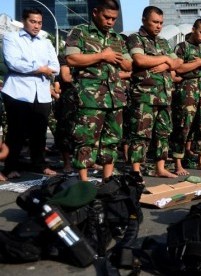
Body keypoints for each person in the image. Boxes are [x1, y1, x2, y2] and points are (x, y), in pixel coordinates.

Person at [65, 0, 132, 181]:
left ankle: (107, 180)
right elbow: (71, 59)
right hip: (90, 97)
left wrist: (117, 59)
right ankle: (83, 181)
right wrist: (102, 56)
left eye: (114, 19)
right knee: (85, 140)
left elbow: (128, 64)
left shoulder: (117, 38)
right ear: (95, 13)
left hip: (115, 97)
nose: (110, 22)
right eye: (107, 17)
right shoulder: (80, 32)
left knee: (112, 140)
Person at [1, 8, 60, 180]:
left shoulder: (45, 42)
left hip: (41, 93)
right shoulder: (11, 38)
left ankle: (39, 164)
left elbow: (55, 66)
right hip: (17, 92)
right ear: (24, 21)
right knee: (16, 131)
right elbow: (13, 63)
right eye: (33, 21)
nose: (36, 26)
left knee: (39, 131)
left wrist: (37, 67)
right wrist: (39, 68)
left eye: (39, 22)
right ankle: (11, 166)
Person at [126, 6, 183, 178]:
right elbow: (140, 60)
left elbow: (178, 62)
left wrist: (166, 63)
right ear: (144, 20)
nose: (159, 26)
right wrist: (166, 59)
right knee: (140, 134)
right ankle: (136, 170)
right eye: (155, 22)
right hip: (145, 95)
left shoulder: (163, 42)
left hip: (164, 95)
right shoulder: (135, 38)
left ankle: (160, 168)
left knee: (163, 133)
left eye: (161, 23)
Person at [171, 19, 201, 175]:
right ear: (193, 29)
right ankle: (178, 162)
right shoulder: (182, 47)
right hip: (187, 90)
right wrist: (198, 65)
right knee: (184, 125)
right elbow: (179, 68)